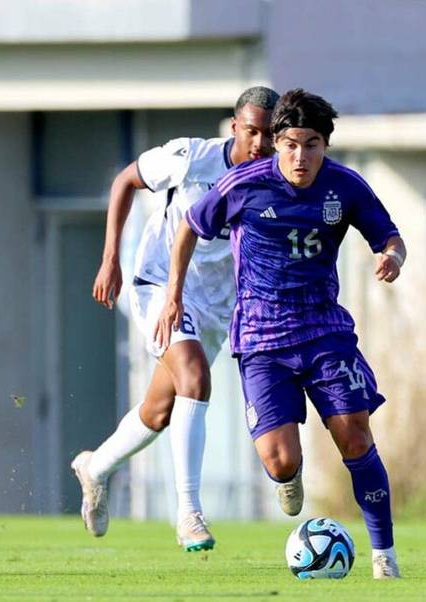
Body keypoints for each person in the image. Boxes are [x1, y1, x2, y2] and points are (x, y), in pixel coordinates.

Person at [156, 89, 407, 579]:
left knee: (355, 436)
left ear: (325, 146)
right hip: (261, 336)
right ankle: (287, 478)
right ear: (276, 142)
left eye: (311, 144)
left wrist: (392, 257)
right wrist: (173, 295)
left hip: (323, 330)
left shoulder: (345, 187)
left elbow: (389, 235)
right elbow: (188, 226)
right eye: (290, 144)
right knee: (279, 459)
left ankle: (385, 556)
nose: (300, 156)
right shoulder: (243, 184)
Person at [71, 86, 280, 552]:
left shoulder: (279, 178)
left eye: (270, 134)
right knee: (194, 377)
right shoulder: (191, 158)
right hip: (160, 288)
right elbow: (125, 180)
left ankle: (96, 467)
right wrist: (111, 260)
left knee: (160, 410)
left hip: (216, 308)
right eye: (253, 132)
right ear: (235, 128)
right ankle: (188, 513)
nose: (261, 144)